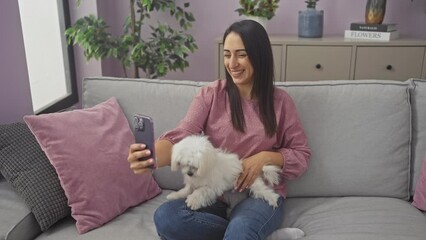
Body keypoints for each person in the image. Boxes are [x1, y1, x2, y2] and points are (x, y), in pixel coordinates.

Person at [127, 19, 311, 240]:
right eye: (227, 54)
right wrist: (151, 157)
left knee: (241, 229)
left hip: (258, 195)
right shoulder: (211, 95)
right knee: (167, 218)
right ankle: (257, 235)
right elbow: (183, 134)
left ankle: (246, 232)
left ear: (259, 55)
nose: (232, 63)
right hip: (214, 194)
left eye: (241, 54)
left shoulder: (281, 102)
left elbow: (301, 156)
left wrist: (265, 157)